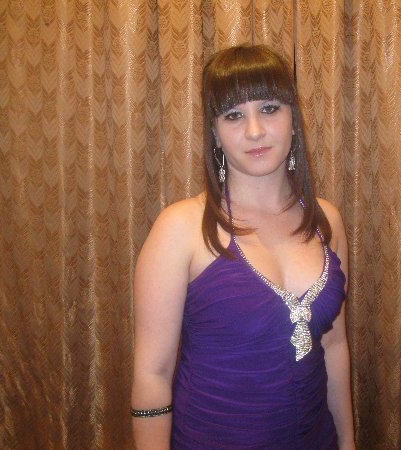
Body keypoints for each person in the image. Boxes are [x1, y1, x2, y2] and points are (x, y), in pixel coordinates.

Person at [131, 44, 355, 450]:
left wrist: (348, 442)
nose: (254, 130)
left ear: (293, 119)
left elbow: (334, 344)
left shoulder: (327, 221)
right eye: (233, 115)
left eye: (269, 108)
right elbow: (153, 374)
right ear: (215, 133)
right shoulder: (180, 229)